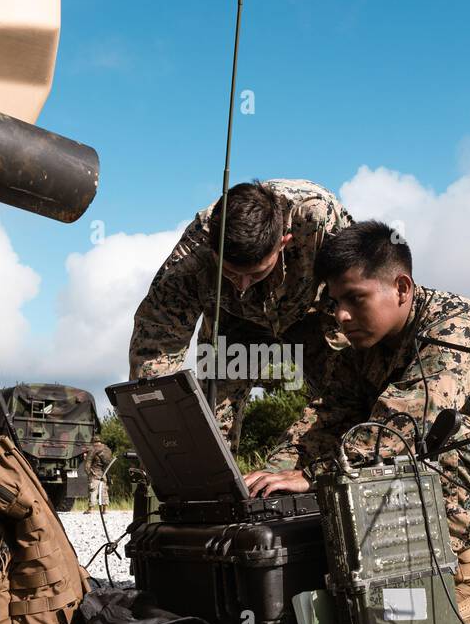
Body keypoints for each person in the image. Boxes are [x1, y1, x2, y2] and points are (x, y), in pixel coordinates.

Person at [245, 221, 470, 624]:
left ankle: (469, 588)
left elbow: (404, 427)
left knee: (435, 439)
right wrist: (270, 478)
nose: (342, 316)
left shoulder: (453, 328)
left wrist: (315, 473)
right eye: (334, 303)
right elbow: (325, 417)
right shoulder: (364, 343)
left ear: (402, 288)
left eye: (355, 298)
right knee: (382, 445)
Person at [128, 179, 353, 446]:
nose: (243, 286)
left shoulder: (317, 217)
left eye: (255, 273)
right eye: (231, 273)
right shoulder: (192, 255)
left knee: (347, 394)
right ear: (213, 251)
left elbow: (359, 287)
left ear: (283, 243)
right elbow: (157, 339)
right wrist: (159, 424)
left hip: (311, 313)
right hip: (236, 321)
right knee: (212, 429)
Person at [85, 438, 113, 508]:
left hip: (95, 472)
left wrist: (88, 472)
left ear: (93, 442)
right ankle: (105, 509)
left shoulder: (93, 449)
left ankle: (90, 509)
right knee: (104, 490)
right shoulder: (107, 449)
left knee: (93, 490)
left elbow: (88, 463)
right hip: (105, 473)